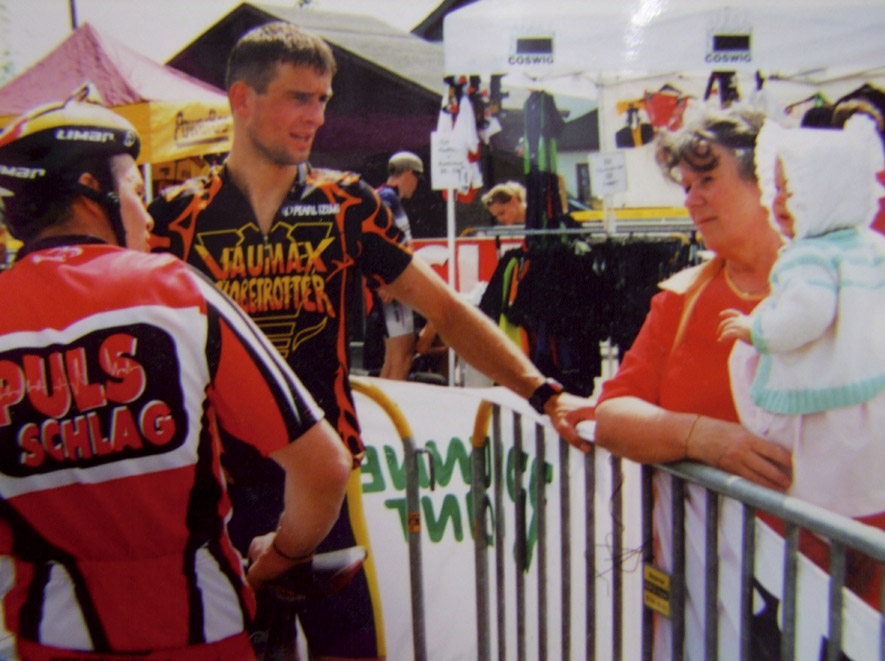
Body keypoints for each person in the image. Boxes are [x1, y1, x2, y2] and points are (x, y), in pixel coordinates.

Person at [148, 21, 590, 661]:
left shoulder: (345, 202)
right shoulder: (174, 217)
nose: (317, 116)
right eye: (300, 97)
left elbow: (446, 309)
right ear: (243, 99)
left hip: (323, 487)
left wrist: (545, 392)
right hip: (218, 489)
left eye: (323, 99)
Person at [0, 88, 352, 660]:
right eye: (135, 192)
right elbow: (325, 468)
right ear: (92, 190)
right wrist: (282, 557)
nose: (145, 214)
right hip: (202, 634)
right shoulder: (173, 290)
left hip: (49, 638)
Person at [572, 104, 793, 659]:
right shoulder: (680, 298)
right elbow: (614, 414)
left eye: (708, 180)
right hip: (706, 595)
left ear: (767, 179)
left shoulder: (850, 286)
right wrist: (704, 438)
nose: (691, 199)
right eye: (687, 185)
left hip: (833, 587)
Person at [718, 115, 885, 606]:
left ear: (830, 193)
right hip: (867, 392)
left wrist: (758, 329)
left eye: (795, 191)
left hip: (822, 401)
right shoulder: (870, 247)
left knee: (817, 498)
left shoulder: (807, 256)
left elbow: (807, 314)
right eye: (778, 189)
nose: (779, 202)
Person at [374, 151, 422, 380]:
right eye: (418, 178)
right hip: (395, 284)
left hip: (389, 283)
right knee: (403, 356)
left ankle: (383, 402)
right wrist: (386, 281)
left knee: (393, 357)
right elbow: (377, 240)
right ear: (410, 174)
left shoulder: (383, 195)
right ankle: (393, 402)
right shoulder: (388, 198)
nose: (417, 186)